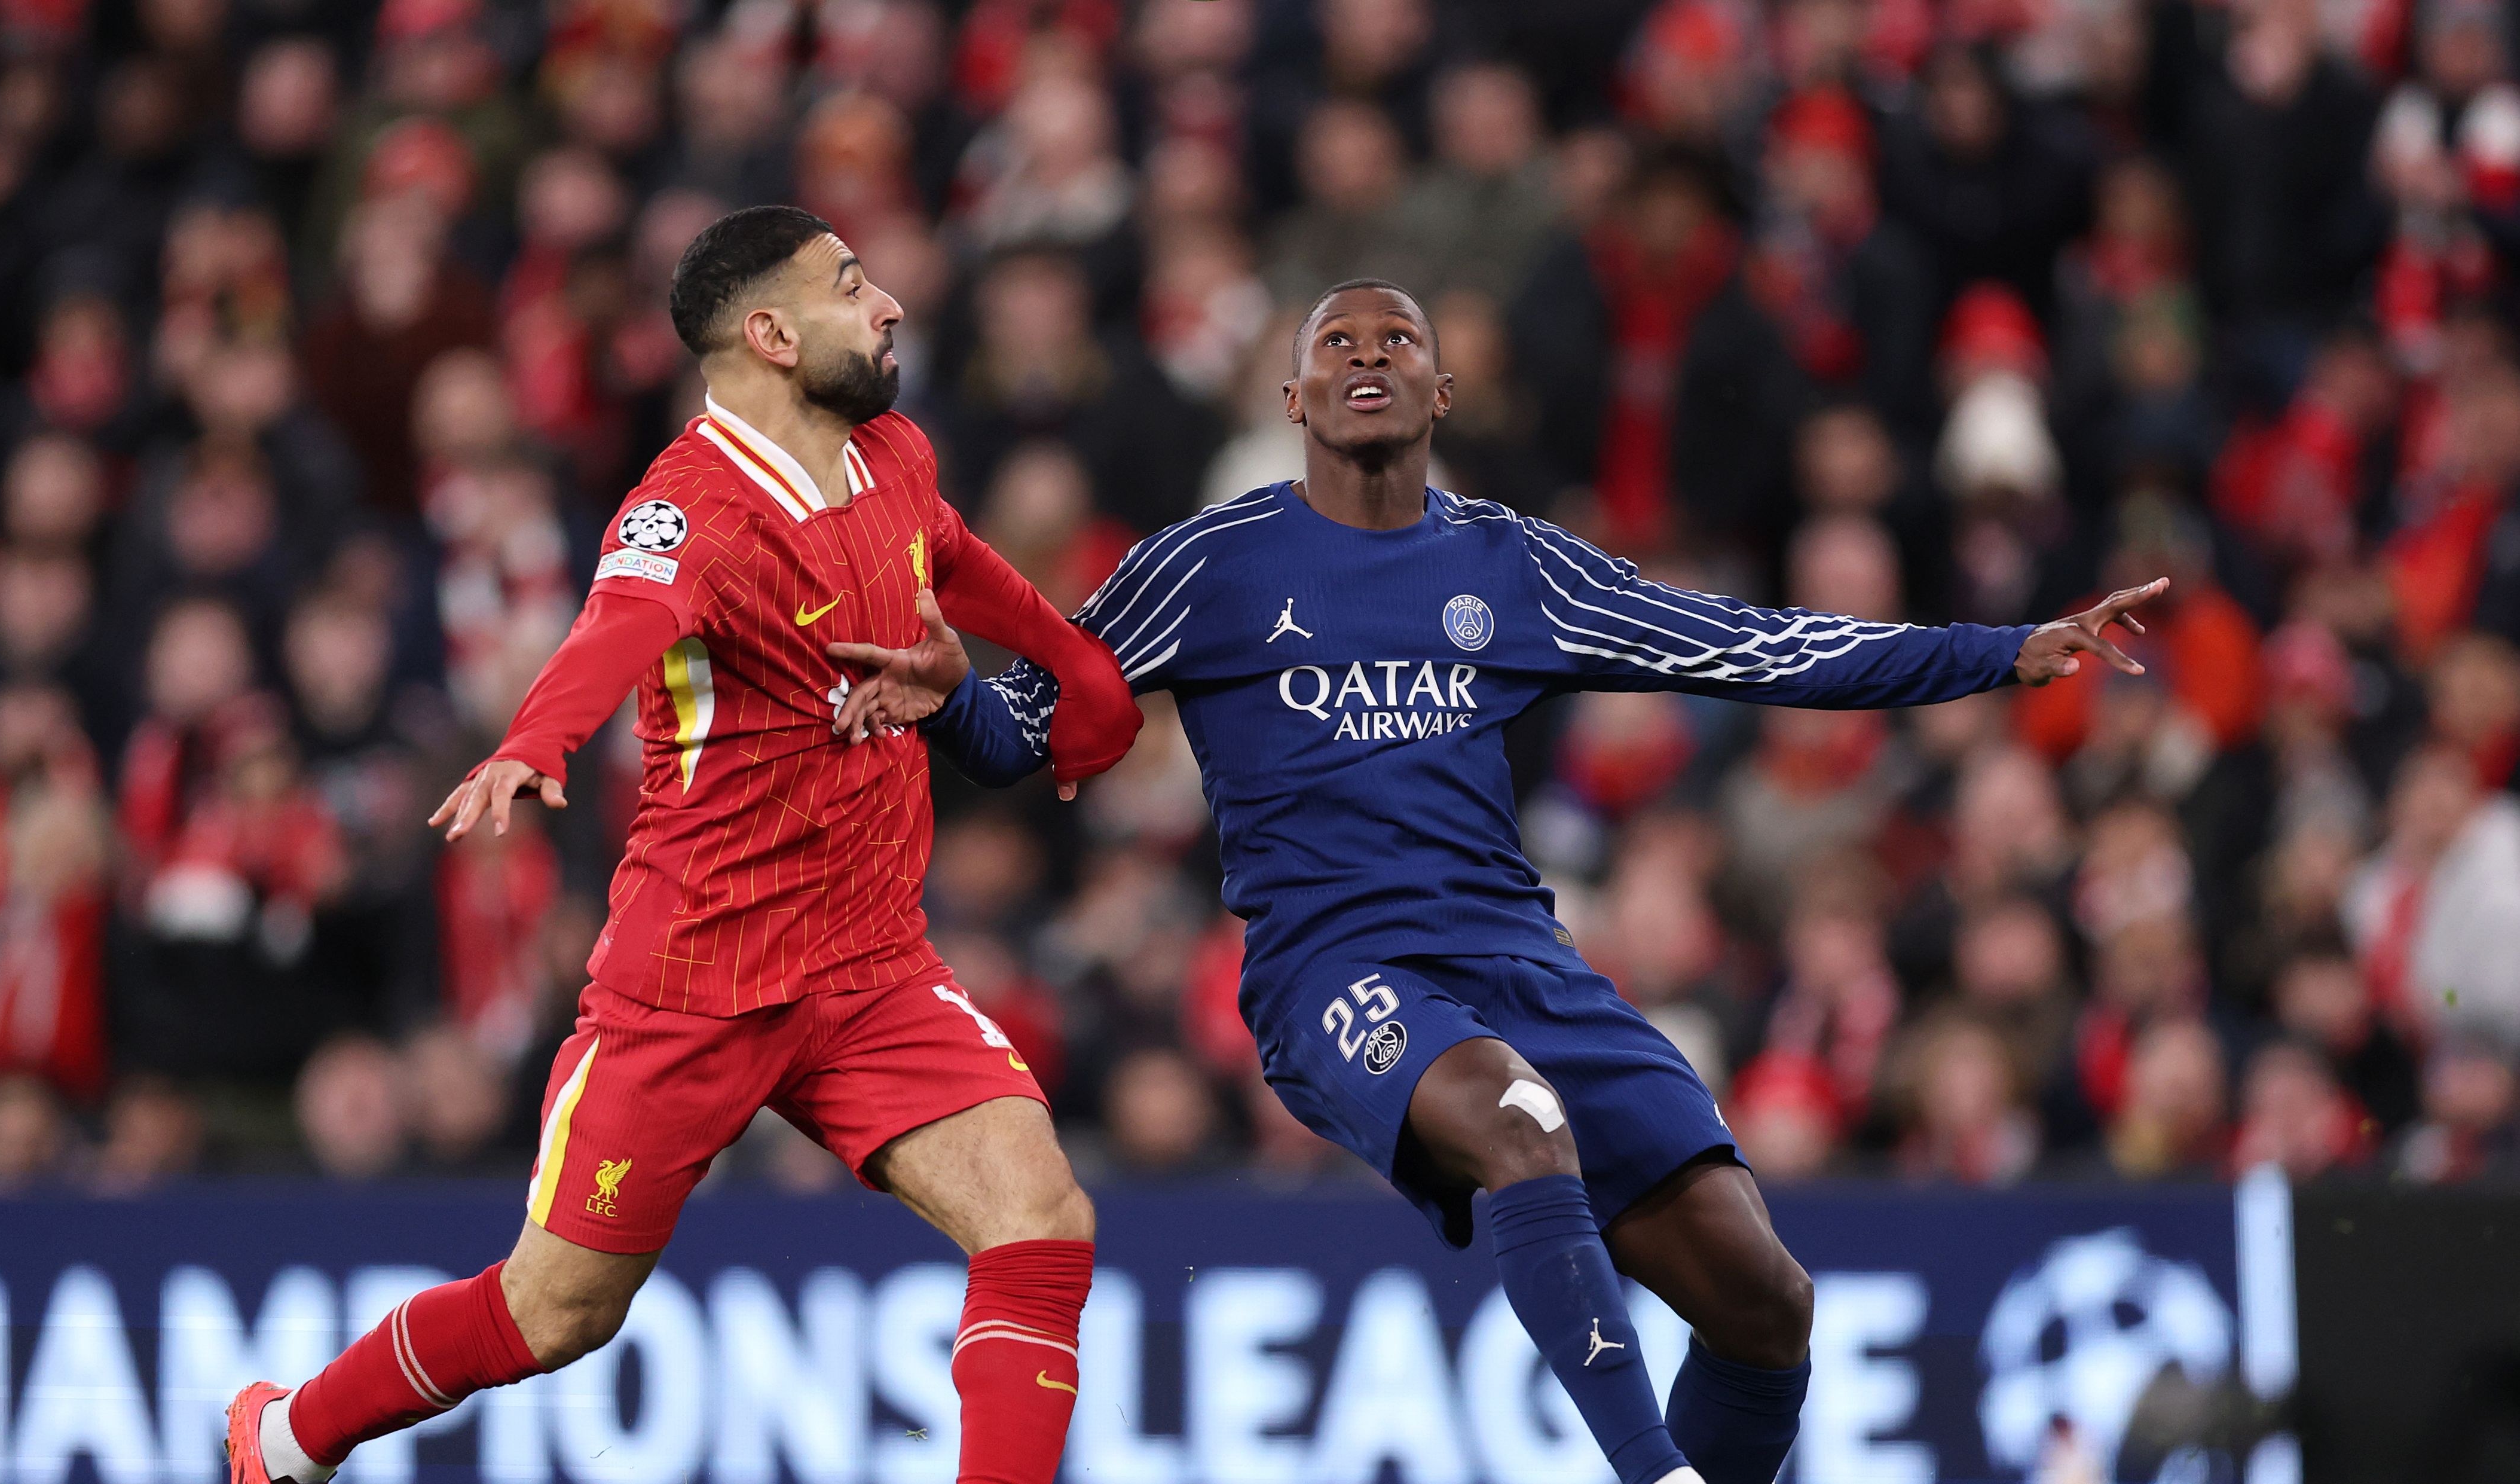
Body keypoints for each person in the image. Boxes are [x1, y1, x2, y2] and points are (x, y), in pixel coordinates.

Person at [836, 279, 2168, 1484]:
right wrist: (949, 700)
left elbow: (1754, 648)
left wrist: (2003, 651)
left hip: (1519, 957)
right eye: (1337, 344)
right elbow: (1029, 726)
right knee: (1520, 1123)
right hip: (1332, 968)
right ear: (1291, 397)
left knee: (1766, 1298)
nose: (1370, 355)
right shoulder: (1210, 565)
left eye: (1398, 339)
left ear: (1441, 390)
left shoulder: (1514, 567)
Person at [224, 206, 1141, 1484]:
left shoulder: (894, 451)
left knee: (1041, 1217)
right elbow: (616, 623)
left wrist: (1075, 668)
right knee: (555, 1311)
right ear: (769, 334)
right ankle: (285, 1435)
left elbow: (964, 564)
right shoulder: (687, 507)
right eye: (850, 285)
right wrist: (533, 739)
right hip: (693, 981)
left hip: (870, 963)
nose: (885, 307)